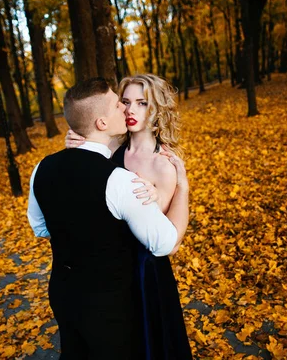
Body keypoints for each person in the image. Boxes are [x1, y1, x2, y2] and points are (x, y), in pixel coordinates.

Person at [27, 77, 189, 360]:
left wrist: (182, 188)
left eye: (141, 103)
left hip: (142, 278)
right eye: (123, 102)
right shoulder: (111, 153)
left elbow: (164, 242)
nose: (129, 110)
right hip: (108, 288)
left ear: (157, 109)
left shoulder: (162, 163)